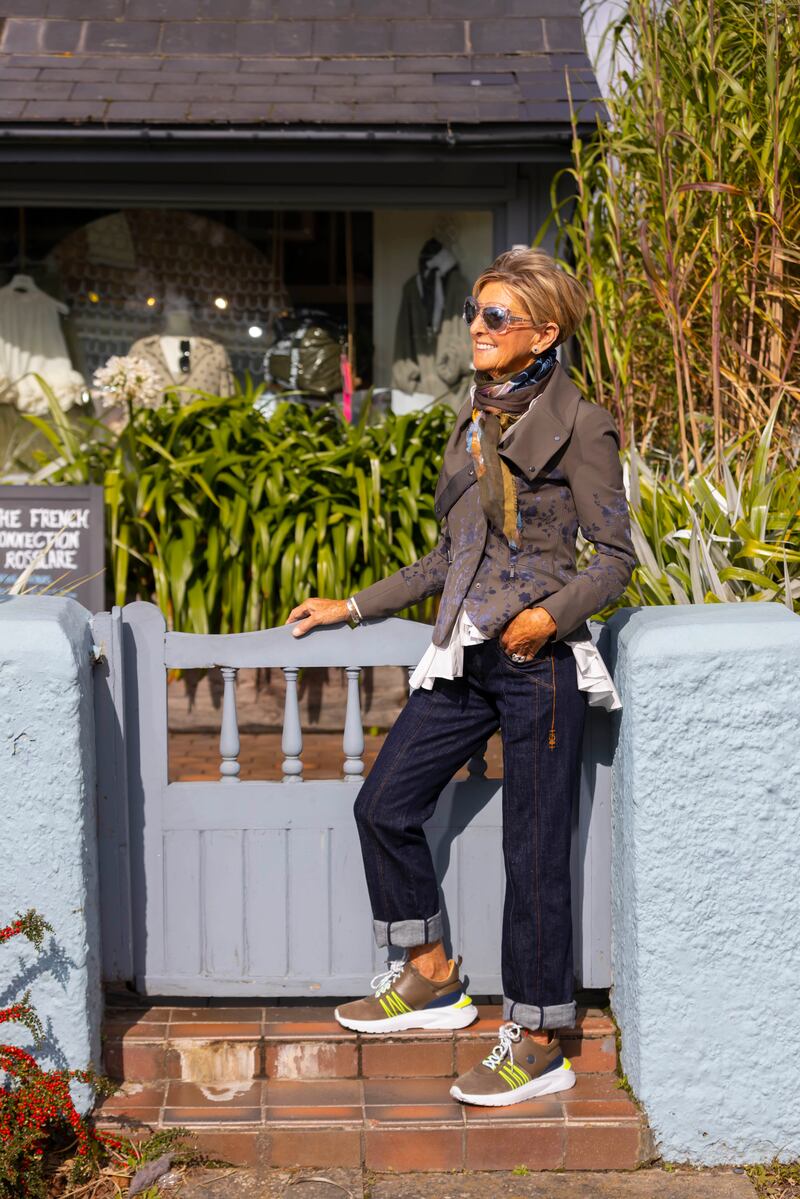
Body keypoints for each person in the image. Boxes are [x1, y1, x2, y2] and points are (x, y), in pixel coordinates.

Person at [286, 247, 635, 1108]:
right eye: (474, 314)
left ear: (544, 333)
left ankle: (542, 1033)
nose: (475, 329)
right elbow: (450, 555)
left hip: (537, 662)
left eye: (495, 317)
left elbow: (616, 558)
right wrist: (354, 607)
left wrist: (550, 614)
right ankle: (433, 972)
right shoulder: (473, 417)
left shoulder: (582, 424)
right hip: (464, 651)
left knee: (535, 849)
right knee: (384, 803)